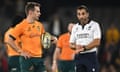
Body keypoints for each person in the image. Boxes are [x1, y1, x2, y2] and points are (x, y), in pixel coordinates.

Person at [6, 2, 53, 72]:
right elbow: (9, 40)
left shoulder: (40, 25)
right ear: (30, 12)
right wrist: (20, 51)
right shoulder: (21, 26)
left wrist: (53, 38)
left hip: (39, 58)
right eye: (37, 11)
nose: (39, 13)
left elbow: (44, 37)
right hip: (27, 59)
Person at [69, 5, 101, 72]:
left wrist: (84, 48)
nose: (81, 16)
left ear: (87, 14)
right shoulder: (75, 27)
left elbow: (97, 42)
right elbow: (70, 44)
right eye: (79, 14)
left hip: (90, 56)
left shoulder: (95, 25)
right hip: (79, 57)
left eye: (83, 14)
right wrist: (76, 46)